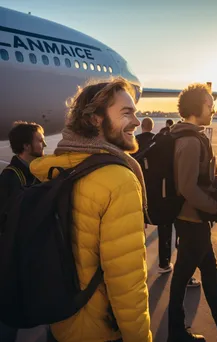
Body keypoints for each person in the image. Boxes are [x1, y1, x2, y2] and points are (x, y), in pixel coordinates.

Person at [30, 78, 152, 342]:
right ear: (96, 119)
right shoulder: (118, 181)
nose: (136, 121)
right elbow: (126, 281)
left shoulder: (57, 168)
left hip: (60, 322)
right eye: (126, 112)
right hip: (98, 331)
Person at [167, 83, 217, 342]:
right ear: (198, 107)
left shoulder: (189, 135)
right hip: (191, 220)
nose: (213, 108)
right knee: (185, 275)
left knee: (210, 272)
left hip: (195, 219)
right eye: (210, 104)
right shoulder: (188, 140)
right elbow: (187, 187)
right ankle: (176, 332)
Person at [0, 121, 46, 342]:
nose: (44, 143)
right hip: (14, 263)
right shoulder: (10, 178)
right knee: (8, 318)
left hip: (33, 260)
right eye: (39, 140)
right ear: (27, 146)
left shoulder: (38, 173)